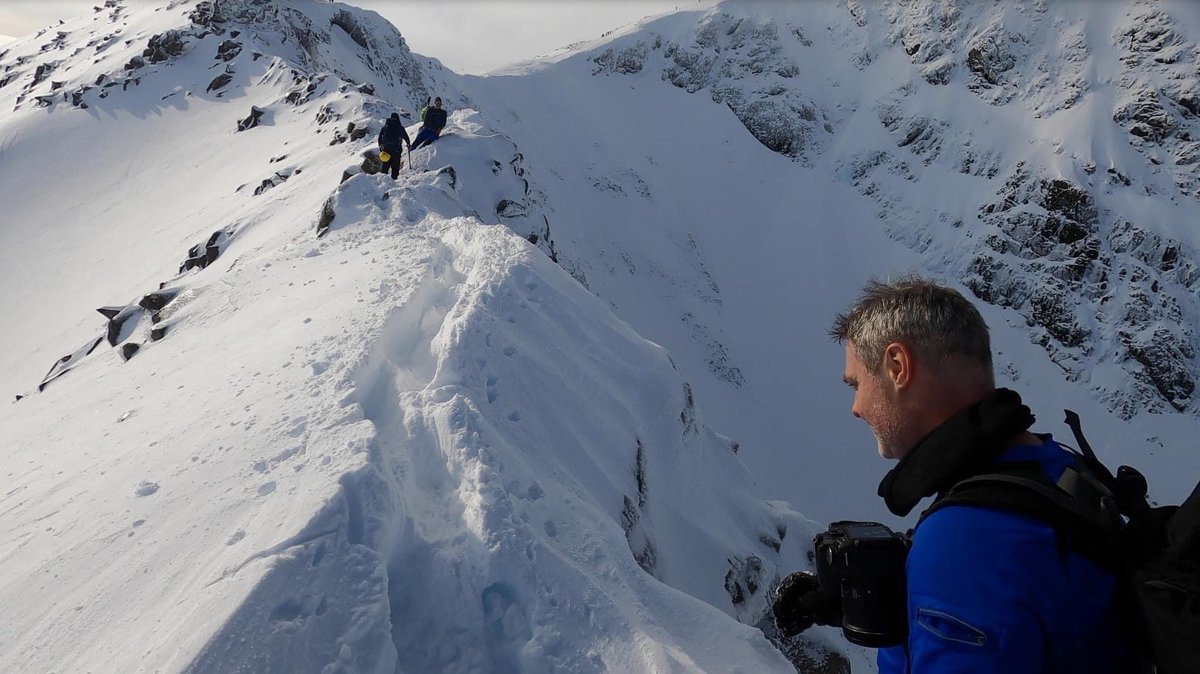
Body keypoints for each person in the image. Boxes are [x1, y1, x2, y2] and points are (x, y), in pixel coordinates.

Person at [828, 277, 1137, 673]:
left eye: (856, 384)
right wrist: (899, 592)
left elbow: (985, 565)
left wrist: (941, 574)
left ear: (897, 366)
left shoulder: (966, 538)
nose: (856, 407)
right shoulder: (1054, 467)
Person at [377, 112, 410, 180]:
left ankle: (382, 180)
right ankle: (393, 180)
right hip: (396, 151)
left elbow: (380, 138)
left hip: (386, 150)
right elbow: (406, 137)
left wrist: (380, 146)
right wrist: (408, 144)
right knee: (395, 167)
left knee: (385, 165)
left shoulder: (385, 127)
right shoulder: (400, 127)